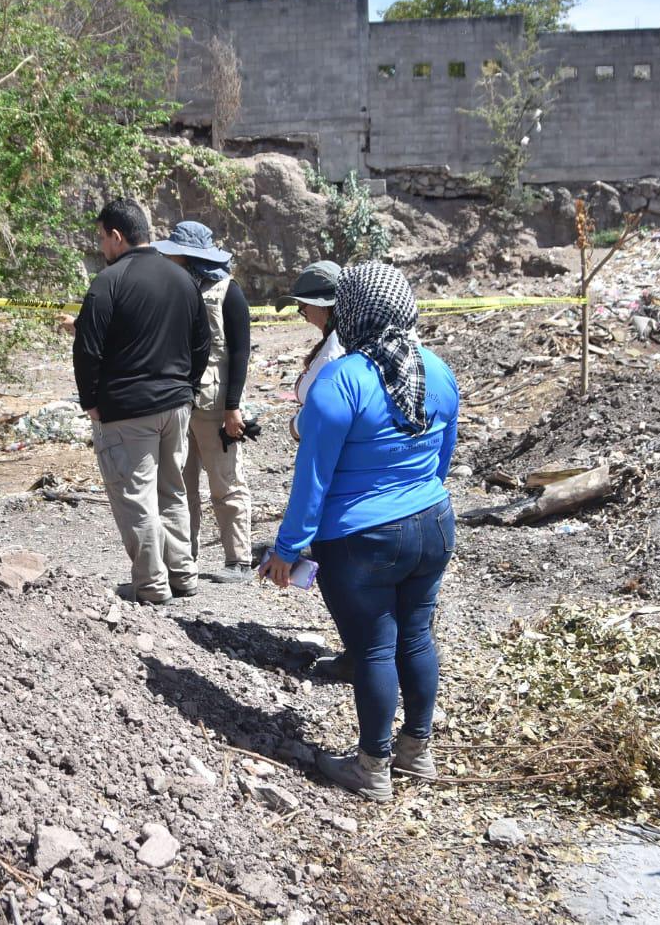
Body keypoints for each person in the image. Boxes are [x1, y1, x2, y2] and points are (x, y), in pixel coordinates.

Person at [262, 262, 460, 802]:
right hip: (433, 524)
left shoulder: (341, 381)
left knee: (375, 647)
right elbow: (442, 460)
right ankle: (417, 750)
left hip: (362, 539)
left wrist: (288, 549)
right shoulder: (437, 372)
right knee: (416, 635)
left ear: (352, 312)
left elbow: (314, 479)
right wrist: (416, 504)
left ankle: (372, 767)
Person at [73, 199, 212, 605]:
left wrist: (90, 401)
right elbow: (201, 342)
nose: (101, 247)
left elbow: (87, 349)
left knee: (136, 495)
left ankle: (151, 585)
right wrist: (186, 385)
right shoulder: (182, 279)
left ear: (117, 236)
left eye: (102, 238)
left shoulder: (107, 282)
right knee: (172, 490)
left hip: (127, 412)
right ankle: (183, 574)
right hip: (175, 406)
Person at [152, 221, 254, 583]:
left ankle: (238, 560)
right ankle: (183, 559)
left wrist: (233, 407)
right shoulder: (174, 288)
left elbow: (240, 353)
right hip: (179, 402)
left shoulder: (228, 291)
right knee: (181, 485)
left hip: (214, 407)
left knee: (226, 482)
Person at [274, 260, 343, 442]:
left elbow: (325, 409)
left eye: (303, 310)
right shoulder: (337, 341)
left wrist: (296, 425)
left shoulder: (333, 352)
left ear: (322, 306)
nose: (305, 319)